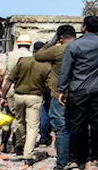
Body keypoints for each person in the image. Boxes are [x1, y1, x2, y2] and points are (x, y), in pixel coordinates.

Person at [58, 0, 98, 167]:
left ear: (83, 27)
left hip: (78, 90)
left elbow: (66, 69)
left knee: (77, 125)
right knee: (96, 123)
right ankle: (95, 156)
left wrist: (62, 89)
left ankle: (75, 159)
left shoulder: (74, 46)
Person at [0, 42, 51, 166]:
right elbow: (49, 86)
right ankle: (28, 155)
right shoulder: (46, 66)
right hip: (35, 97)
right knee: (32, 127)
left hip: (18, 96)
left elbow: (9, 81)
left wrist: (3, 96)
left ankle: (19, 144)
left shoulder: (22, 61)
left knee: (19, 122)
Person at [35, 25, 77, 170]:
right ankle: (76, 159)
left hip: (59, 94)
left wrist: (52, 41)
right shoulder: (82, 48)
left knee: (61, 128)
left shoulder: (58, 50)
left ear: (60, 37)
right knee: (76, 126)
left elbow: (39, 55)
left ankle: (62, 163)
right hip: (80, 93)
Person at [0, 34, 32, 155]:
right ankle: (15, 145)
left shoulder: (9, 55)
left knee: (8, 117)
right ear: (30, 44)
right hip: (26, 89)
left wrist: (1, 91)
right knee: (21, 119)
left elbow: (2, 73)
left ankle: (3, 144)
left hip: (10, 89)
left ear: (17, 44)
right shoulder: (32, 56)